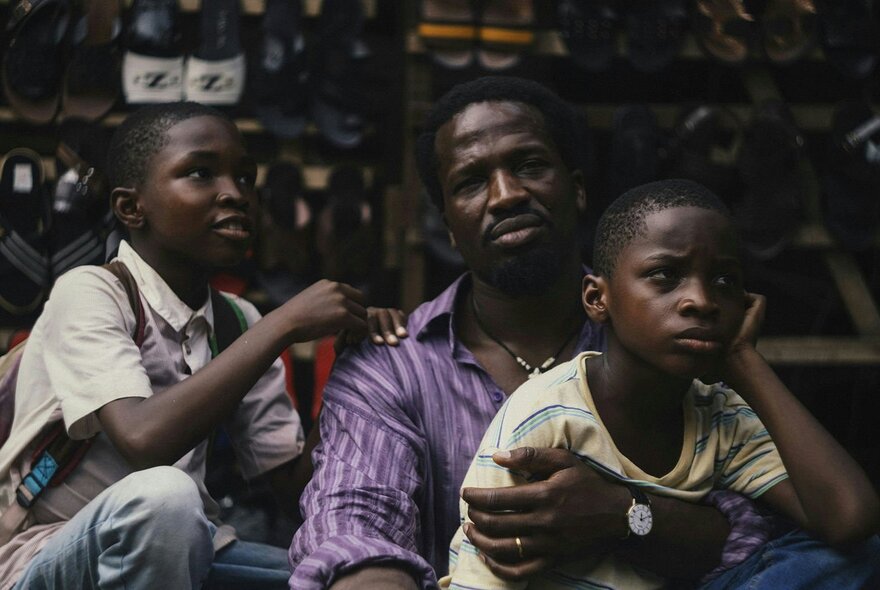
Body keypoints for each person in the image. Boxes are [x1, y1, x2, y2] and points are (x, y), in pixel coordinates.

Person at [290, 77, 774, 590]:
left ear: (578, 188)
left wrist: (623, 515)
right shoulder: (388, 367)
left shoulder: (680, 335)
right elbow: (353, 526)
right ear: (449, 226)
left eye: (529, 166)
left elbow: (754, 532)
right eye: (471, 182)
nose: (506, 194)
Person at [0, 102, 398, 590]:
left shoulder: (236, 320)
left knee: (354, 575)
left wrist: (353, 367)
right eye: (201, 173)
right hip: (48, 551)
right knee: (166, 497)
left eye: (246, 179)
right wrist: (282, 326)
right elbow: (144, 441)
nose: (235, 194)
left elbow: (297, 490)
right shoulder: (89, 291)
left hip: (188, 542)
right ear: (131, 208)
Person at [442, 178, 880, 589]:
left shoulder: (721, 414)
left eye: (724, 280)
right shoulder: (545, 415)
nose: (702, 301)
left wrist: (744, 360)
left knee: (854, 554)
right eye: (666, 275)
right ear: (598, 298)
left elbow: (849, 519)